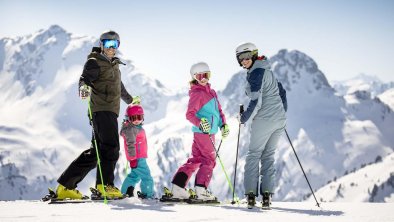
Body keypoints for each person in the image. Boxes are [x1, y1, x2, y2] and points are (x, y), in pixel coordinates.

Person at [55, 30, 140, 200]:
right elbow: (85, 78)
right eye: (107, 44)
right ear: (101, 45)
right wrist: (84, 88)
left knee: (96, 154)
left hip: (109, 112)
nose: (111, 48)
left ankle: (65, 186)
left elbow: (119, 88)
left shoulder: (114, 65)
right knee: (111, 147)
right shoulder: (95, 61)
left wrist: (130, 100)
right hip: (102, 111)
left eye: (114, 44)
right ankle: (105, 186)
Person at [235, 42, 286, 208]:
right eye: (241, 58)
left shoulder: (256, 72)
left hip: (264, 120)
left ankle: (250, 195)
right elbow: (282, 91)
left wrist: (244, 118)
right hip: (279, 120)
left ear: (255, 55)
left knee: (253, 155)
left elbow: (256, 101)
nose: (244, 60)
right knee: (268, 156)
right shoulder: (267, 69)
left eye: (247, 56)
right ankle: (266, 196)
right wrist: (281, 112)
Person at [169, 62, 229, 201]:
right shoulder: (197, 93)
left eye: (206, 75)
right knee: (209, 160)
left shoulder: (212, 93)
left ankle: (178, 187)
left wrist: (223, 125)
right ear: (194, 77)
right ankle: (201, 190)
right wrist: (201, 123)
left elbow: (218, 112)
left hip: (207, 132)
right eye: (200, 76)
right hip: (203, 132)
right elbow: (190, 114)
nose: (203, 78)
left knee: (196, 159)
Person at [120, 104, 155, 199]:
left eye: (139, 117)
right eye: (133, 118)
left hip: (138, 157)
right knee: (146, 176)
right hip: (137, 158)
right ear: (128, 118)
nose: (136, 120)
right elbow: (130, 144)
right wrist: (133, 159)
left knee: (134, 176)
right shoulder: (131, 129)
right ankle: (147, 194)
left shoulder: (135, 127)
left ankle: (125, 192)